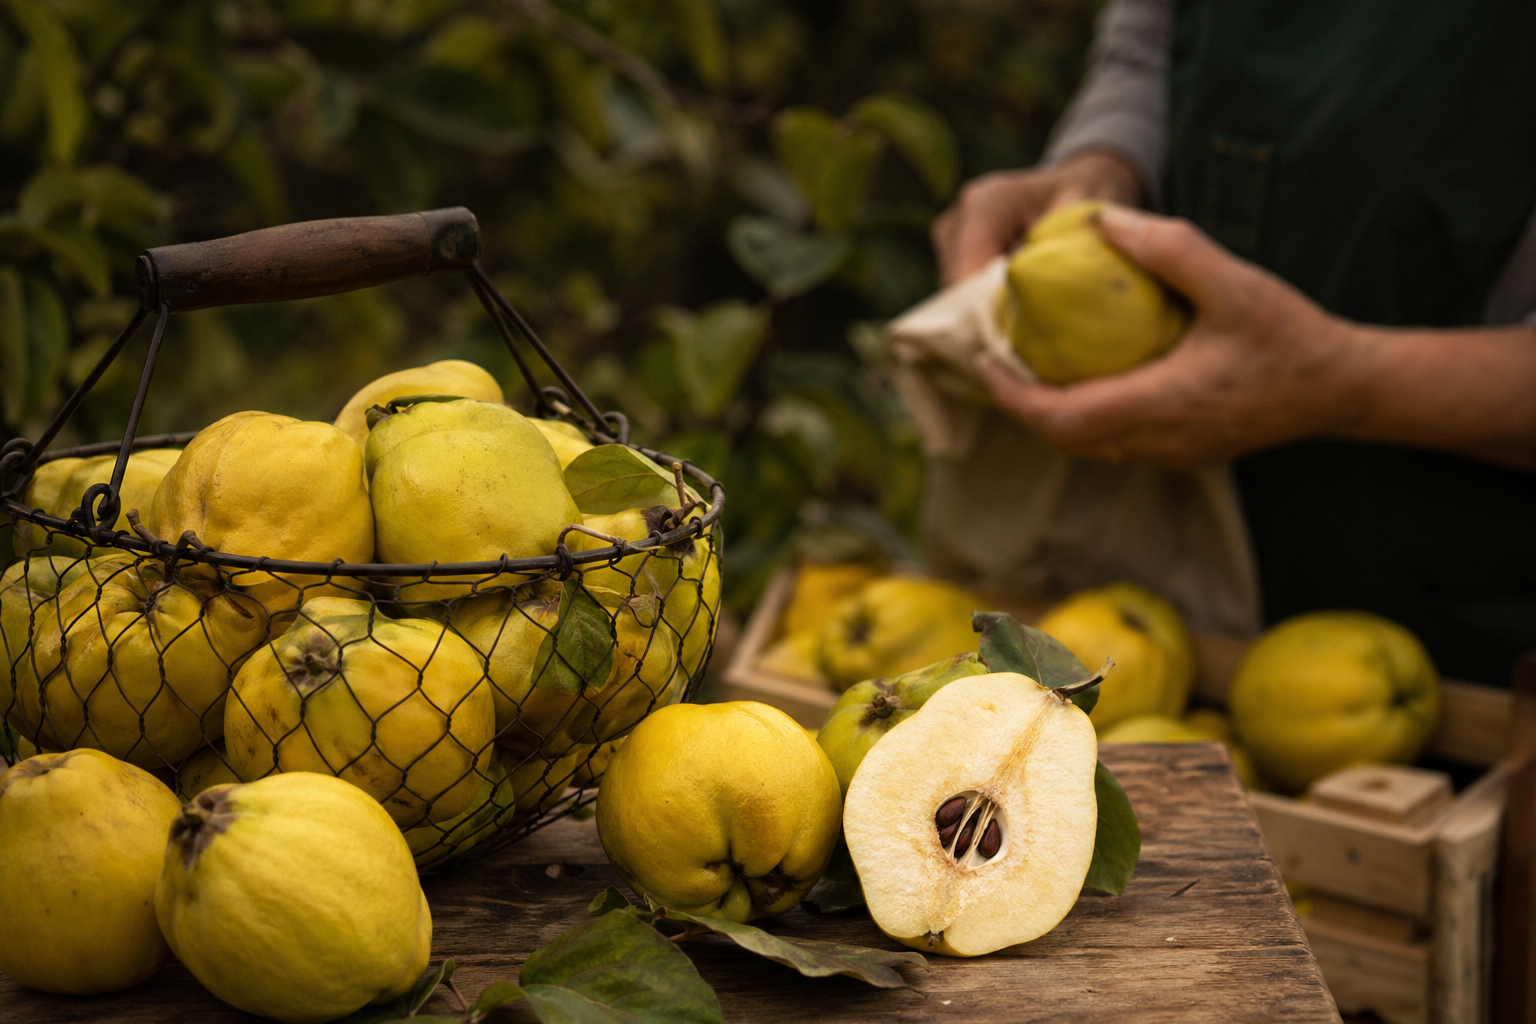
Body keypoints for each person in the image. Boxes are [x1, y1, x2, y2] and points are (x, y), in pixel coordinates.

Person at [930, 0, 1536, 686]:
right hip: (1177, 601)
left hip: (1475, 631)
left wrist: (1348, 382)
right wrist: (1101, 164)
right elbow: (1149, 44)